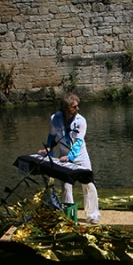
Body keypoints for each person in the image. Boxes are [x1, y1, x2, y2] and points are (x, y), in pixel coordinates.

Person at [37, 93, 101, 224]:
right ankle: (70, 216)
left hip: (80, 156)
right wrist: (48, 149)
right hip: (64, 155)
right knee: (66, 187)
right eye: (75, 106)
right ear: (66, 108)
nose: (78, 109)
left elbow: (78, 142)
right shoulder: (55, 119)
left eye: (78, 106)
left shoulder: (81, 120)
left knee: (88, 185)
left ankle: (92, 215)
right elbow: (52, 136)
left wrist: (70, 157)